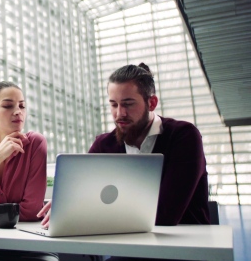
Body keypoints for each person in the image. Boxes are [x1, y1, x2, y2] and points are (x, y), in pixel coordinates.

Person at [89, 63, 210, 226]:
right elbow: (84, 196)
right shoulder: (103, 144)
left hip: (186, 246)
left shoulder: (184, 136)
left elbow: (165, 214)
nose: (119, 114)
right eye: (113, 104)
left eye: (128, 104)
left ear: (151, 103)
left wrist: (95, 209)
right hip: (127, 244)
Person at [0, 81, 57, 261]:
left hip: (33, 243)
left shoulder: (35, 144)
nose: (17, 111)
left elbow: (31, 211)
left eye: (22, 106)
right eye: (8, 106)